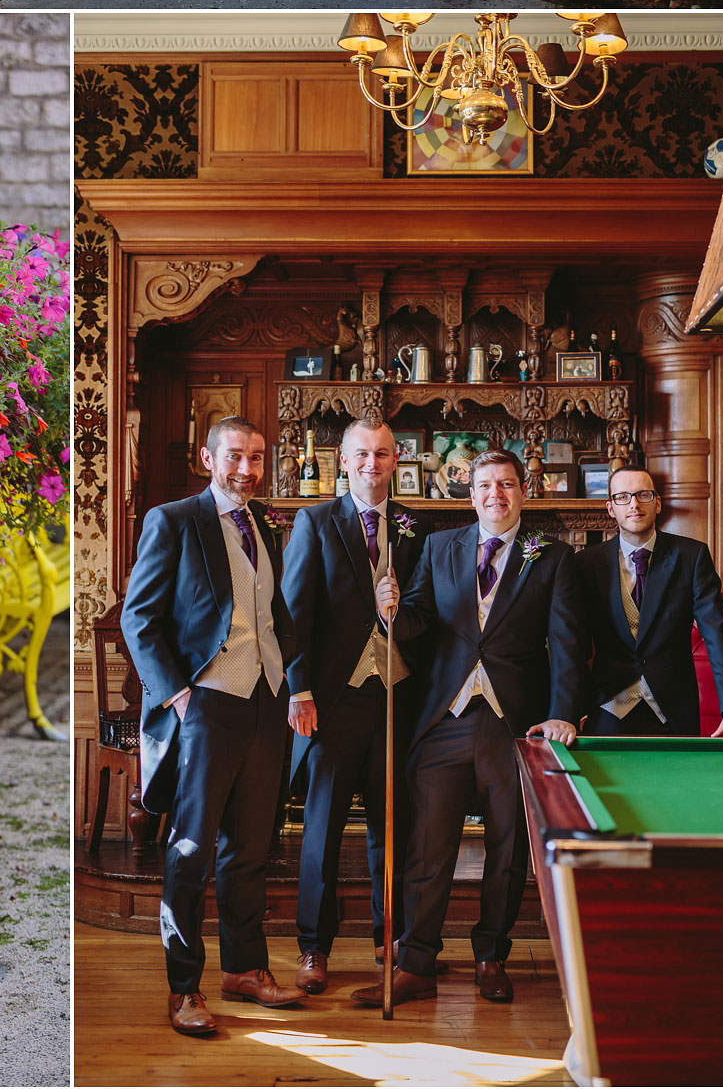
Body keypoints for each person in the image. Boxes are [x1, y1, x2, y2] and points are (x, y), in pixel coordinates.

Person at [350, 450, 583, 1009]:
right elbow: (418, 623)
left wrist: (563, 713)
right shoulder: (440, 546)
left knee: (507, 850)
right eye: (484, 485)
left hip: (516, 727)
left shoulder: (552, 558)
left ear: (524, 492)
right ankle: (417, 962)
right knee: (427, 848)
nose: (494, 495)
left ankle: (491, 956)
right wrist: (391, 610)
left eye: (506, 485)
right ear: (469, 492)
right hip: (444, 721)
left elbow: (570, 645)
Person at [120, 416, 304, 1038]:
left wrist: (293, 686)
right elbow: (138, 618)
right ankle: (184, 987)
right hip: (204, 705)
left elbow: (272, 616)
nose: (247, 469)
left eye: (256, 457)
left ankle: (245, 970)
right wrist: (177, 696)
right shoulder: (174, 521)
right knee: (191, 852)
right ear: (208, 457)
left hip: (263, 703)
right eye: (235, 456)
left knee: (251, 851)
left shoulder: (263, 527)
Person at [282, 421, 432, 992]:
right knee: (320, 828)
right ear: (343, 460)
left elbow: (428, 614)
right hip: (331, 699)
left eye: (383, 453)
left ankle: (386, 938)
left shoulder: (417, 527)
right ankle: (313, 948)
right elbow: (295, 613)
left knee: (389, 829)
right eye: (362, 454)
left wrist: (398, 612)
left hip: (396, 696)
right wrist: (300, 691)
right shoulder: (316, 521)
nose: (373, 463)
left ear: (398, 460)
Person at [575, 465, 723, 739]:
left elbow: (717, 635)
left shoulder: (692, 557)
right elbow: (572, 643)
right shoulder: (585, 564)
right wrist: (568, 711)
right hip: (607, 706)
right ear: (610, 508)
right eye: (623, 497)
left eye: (644, 495)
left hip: (674, 710)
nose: (634, 504)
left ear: (658, 503)